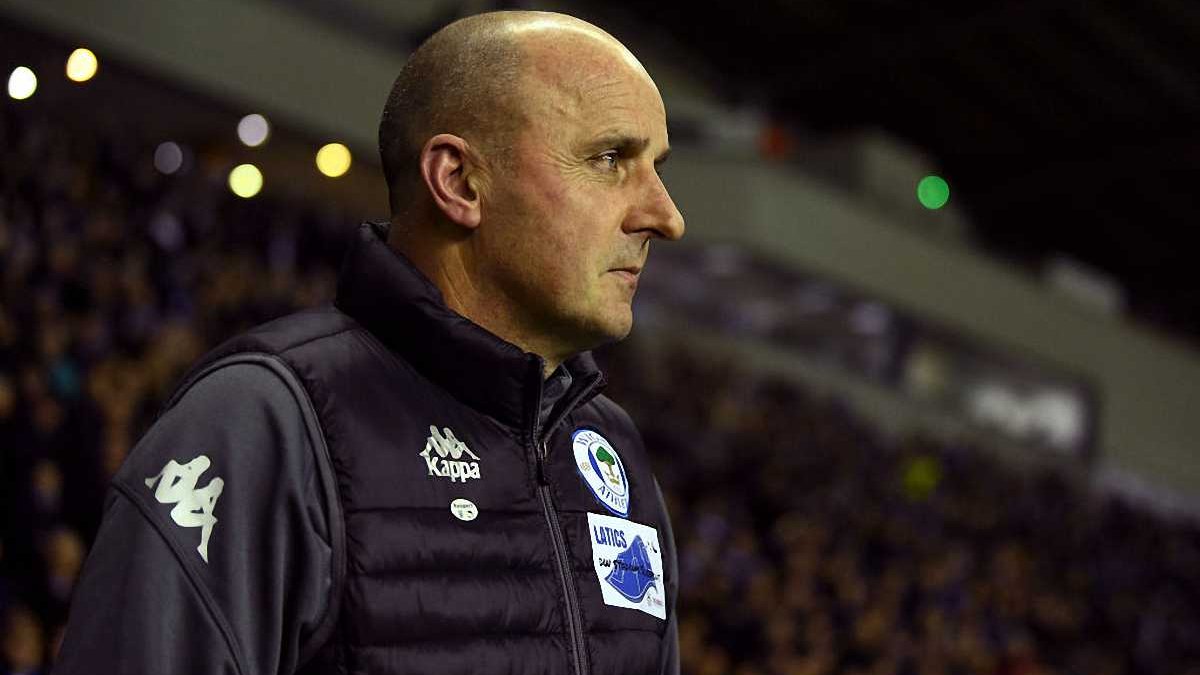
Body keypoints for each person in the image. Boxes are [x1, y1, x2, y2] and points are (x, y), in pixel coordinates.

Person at [55, 9, 685, 675]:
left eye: (657, 167)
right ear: (459, 181)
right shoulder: (260, 422)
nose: (666, 216)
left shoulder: (613, 452)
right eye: (610, 159)